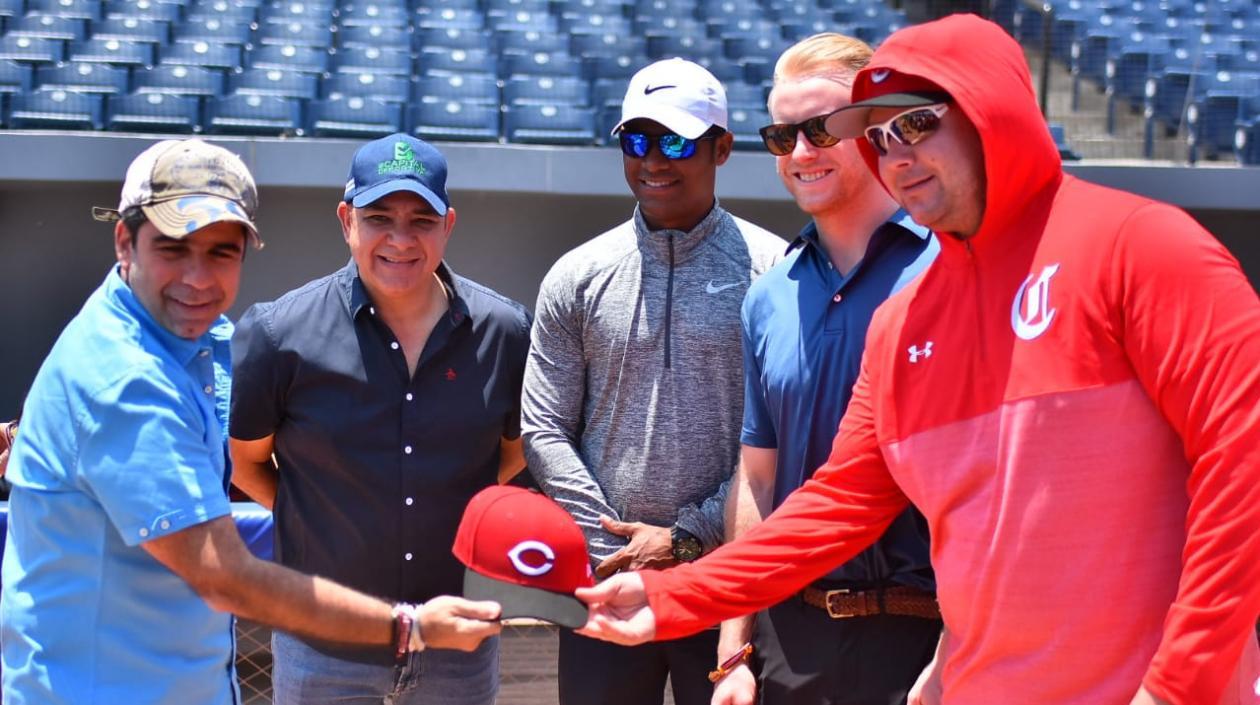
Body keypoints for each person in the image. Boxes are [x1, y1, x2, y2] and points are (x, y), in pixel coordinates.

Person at [575, 15, 1260, 705]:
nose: (895, 156)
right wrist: (675, 597)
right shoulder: (902, 323)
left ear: (990, 111)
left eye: (915, 123)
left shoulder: (1143, 246)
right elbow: (834, 507)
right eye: (877, 137)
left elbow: (1244, 462)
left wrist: (1177, 686)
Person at [0, 139, 502, 704]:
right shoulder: (123, 379)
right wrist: (409, 627)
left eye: (222, 251)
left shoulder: (204, 338)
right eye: (172, 247)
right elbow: (223, 576)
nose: (197, 277)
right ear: (124, 240)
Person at [228, 133, 531, 704]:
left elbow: (514, 454)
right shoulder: (277, 333)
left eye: (422, 220)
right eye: (379, 218)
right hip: (322, 639)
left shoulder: (506, 332)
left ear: (448, 226)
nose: (400, 239)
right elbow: (246, 465)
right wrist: (321, 522)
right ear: (347, 220)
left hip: (456, 638)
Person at [521, 58, 785, 705]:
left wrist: (686, 539)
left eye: (677, 142)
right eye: (637, 141)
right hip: (605, 580)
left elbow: (783, 441)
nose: (654, 160)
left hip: (726, 584)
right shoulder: (577, 274)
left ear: (722, 148)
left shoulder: (774, 271)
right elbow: (544, 428)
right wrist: (613, 546)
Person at [714, 33, 941, 705]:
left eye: (821, 129)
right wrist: (733, 651)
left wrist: (956, 653)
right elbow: (758, 478)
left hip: (925, 641)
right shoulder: (767, 296)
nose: (800, 153)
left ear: (875, 128)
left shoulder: (952, 271)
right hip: (789, 642)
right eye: (782, 137)